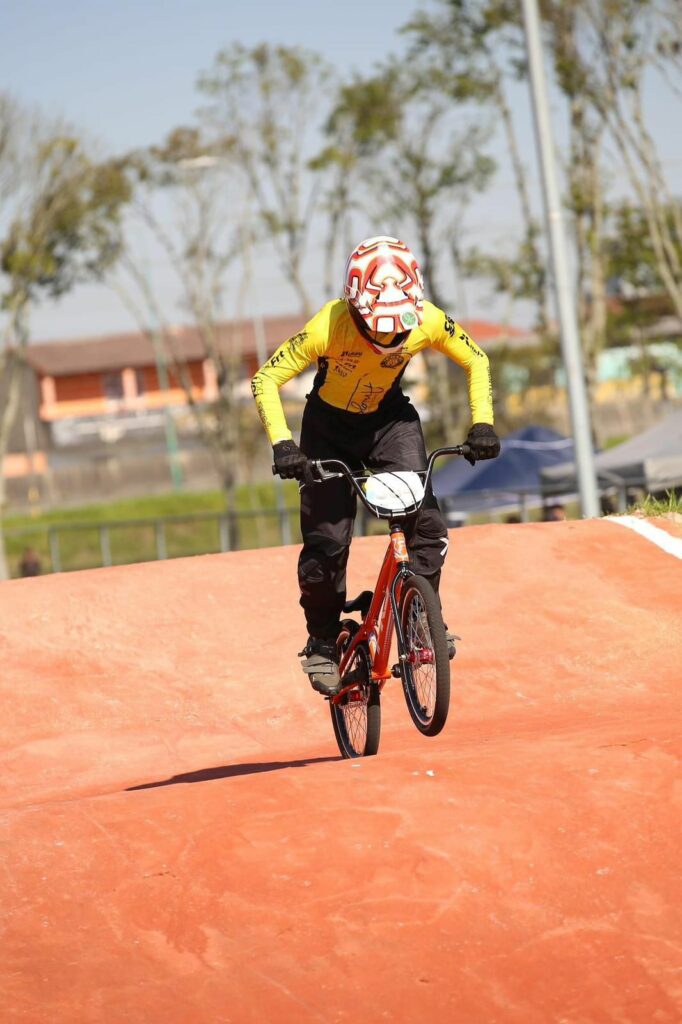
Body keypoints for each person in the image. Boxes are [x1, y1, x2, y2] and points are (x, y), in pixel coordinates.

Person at [251, 235, 500, 696]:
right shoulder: (328, 324)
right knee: (326, 548)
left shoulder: (428, 320)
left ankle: (422, 619)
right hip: (327, 430)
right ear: (355, 306)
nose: (389, 338)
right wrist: (283, 445)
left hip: (391, 422)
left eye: (398, 328)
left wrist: (482, 424)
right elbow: (266, 377)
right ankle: (323, 642)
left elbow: (476, 359)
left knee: (427, 528)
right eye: (376, 326)